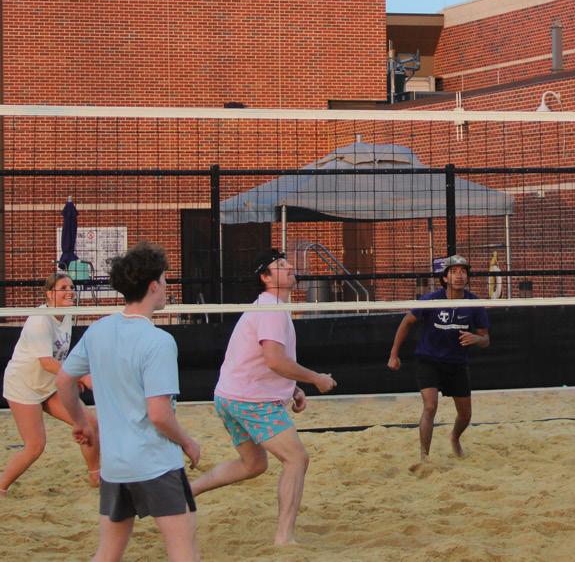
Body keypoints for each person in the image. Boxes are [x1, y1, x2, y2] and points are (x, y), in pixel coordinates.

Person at [56, 241, 202, 562]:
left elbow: (63, 381)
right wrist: (188, 442)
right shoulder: (159, 341)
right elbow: (159, 415)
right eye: (164, 279)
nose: (167, 286)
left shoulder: (99, 330)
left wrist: (81, 422)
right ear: (153, 286)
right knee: (184, 550)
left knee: (107, 553)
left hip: (115, 466)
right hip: (156, 462)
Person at [190, 250, 336, 547]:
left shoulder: (270, 307)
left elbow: (261, 359)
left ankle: (185, 493)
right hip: (250, 401)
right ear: (265, 277)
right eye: (280, 265)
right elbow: (274, 360)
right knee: (296, 459)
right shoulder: (270, 309)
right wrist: (315, 378)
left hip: (229, 396)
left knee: (253, 464)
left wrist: (292, 389)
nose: (290, 266)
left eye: (287, 262)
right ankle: (284, 537)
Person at [1, 271, 100, 494]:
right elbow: (46, 362)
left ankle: (96, 476)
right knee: (35, 446)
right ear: (49, 294)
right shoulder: (40, 320)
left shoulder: (66, 314)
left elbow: (59, 357)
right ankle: (1, 486)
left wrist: (69, 380)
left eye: (71, 287)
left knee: (89, 424)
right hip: (23, 385)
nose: (70, 292)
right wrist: (80, 377)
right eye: (63, 288)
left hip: (48, 385)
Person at [387, 255, 490, 461]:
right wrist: (393, 355)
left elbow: (486, 339)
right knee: (430, 406)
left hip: (457, 364)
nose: (459, 276)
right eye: (454, 272)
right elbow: (406, 322)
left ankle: (454, 437)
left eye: (463, 271)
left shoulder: (474, 303)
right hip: (429, 360)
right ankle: (424, 456)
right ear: (444, 278)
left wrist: (476, 339)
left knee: (465, 415)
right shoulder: (431, 300)